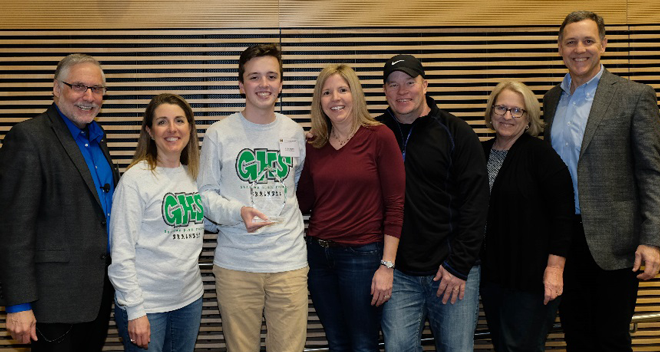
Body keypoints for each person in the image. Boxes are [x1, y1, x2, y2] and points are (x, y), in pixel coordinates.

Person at [544, 11, 660, 352]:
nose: (579, 49)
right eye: (571, 42)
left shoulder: (634, 96)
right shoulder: (552, 99)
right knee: (576, 337)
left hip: (616, 244)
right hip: (564, 239)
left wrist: (652, 239)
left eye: (588, 40)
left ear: (604, 45)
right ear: (560, 48)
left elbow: (651, 171)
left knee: (611, 339)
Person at [0, 54, 118, 351]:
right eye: (78, 86)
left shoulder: (98, 139)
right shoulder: (29, 138)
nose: (89, 96)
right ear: (56, 88)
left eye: (97, 89)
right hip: (51, 302)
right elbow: (13, 229)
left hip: (97, 295)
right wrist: (18, 304)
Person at [197, 44, 308, 352]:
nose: (264, 84)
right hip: (236, 265)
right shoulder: (218, 133)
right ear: (241, 84)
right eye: (255, 77)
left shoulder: (295, 132)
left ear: (281, 83)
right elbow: (204, 195)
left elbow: (293, 187)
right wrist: (238, 211)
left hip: (288, 262)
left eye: (271, 76)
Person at [377, 54, 490, 352]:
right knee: (398, 347)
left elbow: (476, 204)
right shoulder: (374, 133)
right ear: (384, 90)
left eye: (410, 82)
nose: (402, 91)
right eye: (393, 84)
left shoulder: (457, 133)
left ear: (425, 85)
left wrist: (459, 265)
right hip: (398, 272)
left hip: (451, 271)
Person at [297, 64, 405, 352]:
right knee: (337, 341)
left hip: (362, 257)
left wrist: (387, 265)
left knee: (363, 343)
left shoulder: (379, 136)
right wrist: (294, 151)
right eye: (327, 92)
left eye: (343, 90)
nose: (336, 98)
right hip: (319, 257)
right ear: (319, 101)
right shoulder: (315, 145)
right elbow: (302, 202)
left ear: (355, 94)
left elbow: (395, 205)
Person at [480, 81, 574, 351]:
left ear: (529, 116)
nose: (507, 116)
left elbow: (562, 215)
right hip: (493, 276)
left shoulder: (541, 155)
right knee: (503, 345)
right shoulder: (480, 153)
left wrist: (555, 270)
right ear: (491, 111)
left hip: (532, 280)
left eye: (516, 111)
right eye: (501, 108)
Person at [108, 93, 205, 351]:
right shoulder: (136, 180)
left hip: (189, 300)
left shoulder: (194, 175)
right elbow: (121, 251)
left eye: (179, 121)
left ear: (190, 128)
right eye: (162, 122)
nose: (172, 129)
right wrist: (135, 310)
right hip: (147, 306)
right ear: (150, 131)